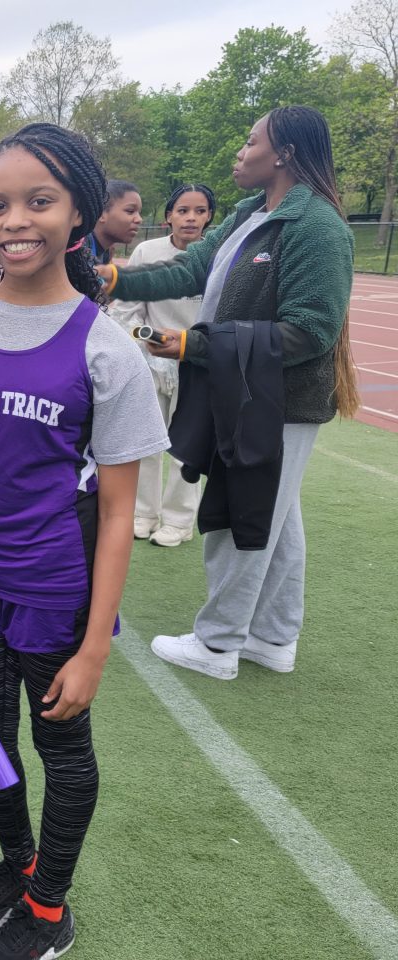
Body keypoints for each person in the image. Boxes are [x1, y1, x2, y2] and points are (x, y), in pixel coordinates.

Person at [0, 122, 167, 960]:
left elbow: (118, 514)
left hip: (56, 593)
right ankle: (21, 866)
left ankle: (50, 909)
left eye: (38, 201)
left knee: (61, 749)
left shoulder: (105, 349)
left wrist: (95, 649)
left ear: (77, 214)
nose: (13, 221)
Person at [99, 105, 357, 680]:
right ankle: (272, 637)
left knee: (246, 514)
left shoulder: (316, 227)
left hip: (278, 402)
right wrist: (115, 278)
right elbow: (188, 270)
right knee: (277, 520)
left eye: (250, 141)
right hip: (244, 391)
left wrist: (195, 345)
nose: (240, 153)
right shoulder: (250, 213)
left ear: (284, 153)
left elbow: (311, 331)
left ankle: (217, 645)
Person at [108, 183, 216, 547]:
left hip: (197, 363)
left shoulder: (218, 255)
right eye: (183, 211)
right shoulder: (148, 251)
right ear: (169, 215)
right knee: (148, 442)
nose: (191, 218)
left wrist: (196, 347)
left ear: (209, 217)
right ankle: (144, 513)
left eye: (199, 211)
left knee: (187, 446)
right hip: (151, 361)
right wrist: (144, 341)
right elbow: (128, 309)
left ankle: (179, 521)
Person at [86, 179, 142, 265]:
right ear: (101, 213)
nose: (139, 219)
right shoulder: (77, 249)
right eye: (130, 211)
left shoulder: (106, 252)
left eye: (139, 213)